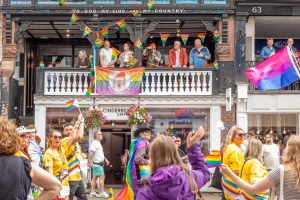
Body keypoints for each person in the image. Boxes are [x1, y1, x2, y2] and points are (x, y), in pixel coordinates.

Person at [137, 126, 210, 199]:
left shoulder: (146, 191)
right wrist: (192, 147)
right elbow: (204, 173)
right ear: (175, 154)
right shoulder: (189, 177)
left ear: (152, 157)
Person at [220, 135, 300, 200]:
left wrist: (229, 173)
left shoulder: (281, 170)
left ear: (291, 150)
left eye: (287, 146)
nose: (284, 149)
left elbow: (252, 189)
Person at [0, 117, 62, 200]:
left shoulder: (23, 159)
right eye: (24, 136)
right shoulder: (21, 162)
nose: (28, 139)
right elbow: (55, 186)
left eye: (28, 136)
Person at [61, 119, 88, 200]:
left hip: (77, 177)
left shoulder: (76, 143)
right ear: (63, 132)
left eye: (71, 129)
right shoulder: (64, 140)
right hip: (69, 177)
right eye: (67, 130)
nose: (69, 131)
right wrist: (81, 122)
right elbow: (79, 136)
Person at [127, 123, 153, 199]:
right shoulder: (142, 143)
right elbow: (138, 159)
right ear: (141, 133)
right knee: (144, 191)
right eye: (146, 132)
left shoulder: (139, 142)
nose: (149, 133)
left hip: (141, 171)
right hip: (143, 172)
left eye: (149, 132)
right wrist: (149, 162)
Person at [43, 130, 70, 200]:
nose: (57, 139)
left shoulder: (61, 151)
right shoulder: (48, 153)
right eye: (55, 137)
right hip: (56, 185)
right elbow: (50, 174)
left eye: (60, 137)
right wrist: (56, 189)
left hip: (65, 185)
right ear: (50, 138)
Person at [221, 125, 246, 200]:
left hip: (229, 182)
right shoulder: (234, 150)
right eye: (240, 135)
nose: (243, 137)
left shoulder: (231, 147)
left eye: (244, 135)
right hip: (233, 184)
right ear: (233, 136)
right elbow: (236, 171)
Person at [89, 130, 110, 198]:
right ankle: (102, 192)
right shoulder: (94, 143)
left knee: (95, 178)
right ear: (97, 136)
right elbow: (91, 152)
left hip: (97, 164)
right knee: (102, 177)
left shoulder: (98, 143)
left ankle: (92, 192)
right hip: (97, 164)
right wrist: (91, 162)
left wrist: (105, 159)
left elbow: (100, 154)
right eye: (100, 134)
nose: (102, 135)